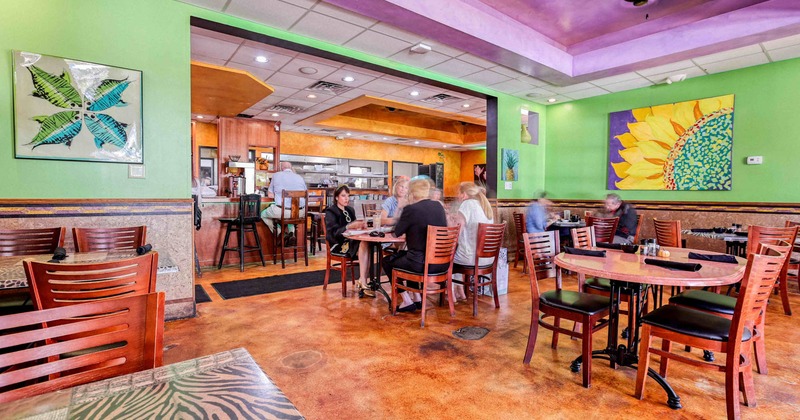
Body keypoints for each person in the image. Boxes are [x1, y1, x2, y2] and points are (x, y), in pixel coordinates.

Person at [381, 178, 448, 313]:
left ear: (412, 193)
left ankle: (407, 300)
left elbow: (397, 233)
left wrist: (401, 207)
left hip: (420, 263)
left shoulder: (411, 209)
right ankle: (417, 298)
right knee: (409, 255)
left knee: (388, 261)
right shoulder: (438, 206)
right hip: (442, 263)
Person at [324, 186, 373, 297]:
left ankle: (362, 280)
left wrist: (360, 226)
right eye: (343, 196)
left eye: (348, 196)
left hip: (352, 241)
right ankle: (363, 281)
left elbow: (353, 229)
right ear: (336, 197)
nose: (347, 198)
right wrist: (349, 225)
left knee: (367, 242)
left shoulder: (350, 210)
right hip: (338, 244)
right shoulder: (331, 211)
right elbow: (333, 234)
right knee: (364, 243)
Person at [450, 182, 494, 301]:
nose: (457, 196)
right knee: (458, 252)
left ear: (464, 195)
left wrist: (451, 221)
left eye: (458, 193)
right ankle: (460, 290)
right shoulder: (485, 205)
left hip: (471, 258)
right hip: (488, 258)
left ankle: (451, 294)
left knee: (449, 256)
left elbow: (456, 232)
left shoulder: (466, 204)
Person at [261, 161, 307, 244]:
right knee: (291, 216)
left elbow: (270, 195)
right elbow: (306, 193)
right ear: (291, 168)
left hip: (282, 212)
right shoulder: (300, 177)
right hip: (299, 213)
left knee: (263, 214)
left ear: (282, 168)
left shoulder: (276, 175)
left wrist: (277, 195)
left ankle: (281, 234)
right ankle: (291, 233)